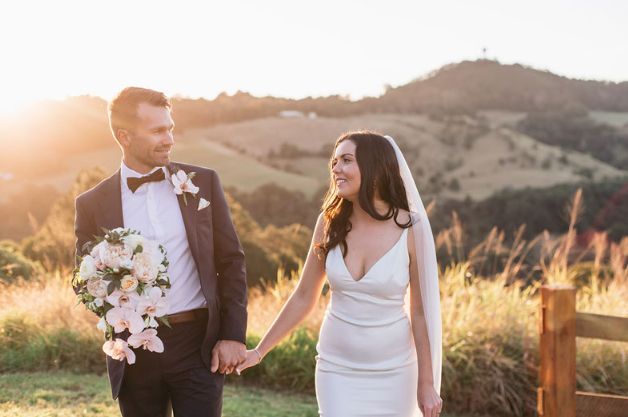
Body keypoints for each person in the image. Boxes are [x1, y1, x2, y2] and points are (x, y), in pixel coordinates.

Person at [237, 131, 443, 417]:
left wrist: (427, 383)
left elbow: (420, 312)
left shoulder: (412, 228)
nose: (336, 169)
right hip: (336, 369)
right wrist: (259, 351)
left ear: (373, 167)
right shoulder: (329, 222)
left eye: (346, 160)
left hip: (395, 372)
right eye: (334, 162)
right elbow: (304, 296)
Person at [74, 87, 248, 417]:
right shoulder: (92, 204)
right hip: (134, 352)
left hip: (198, 346)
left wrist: (232, 336)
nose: (169, 138)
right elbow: (87, 278)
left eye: (170, 128)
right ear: (124, 136)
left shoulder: (203, 184)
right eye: (157, 131)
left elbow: (231, 261)